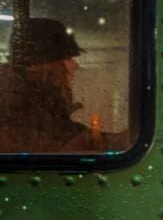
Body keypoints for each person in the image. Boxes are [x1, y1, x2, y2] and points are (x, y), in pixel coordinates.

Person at [0, 18, 96, 154]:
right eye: (67, 58)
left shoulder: (39, 101)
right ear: (44, 64)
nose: (75, 65)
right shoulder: (15, 103)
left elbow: (64, 133)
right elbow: (47, 148)